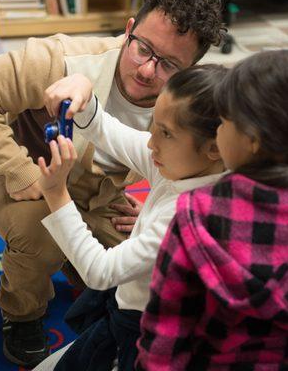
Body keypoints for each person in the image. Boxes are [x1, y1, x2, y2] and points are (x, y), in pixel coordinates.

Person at [0, 0, 224, 368]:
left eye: (168, 65)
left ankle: (71, 263)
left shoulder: (186, 105)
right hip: (24, 174)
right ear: (128, 30)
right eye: (142, 48)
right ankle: (22, 314)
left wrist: (151, 212)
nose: (146, 70)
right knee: (40, 234)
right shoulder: (59, 58)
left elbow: (156, 161)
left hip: (94, 188)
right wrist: (20, 171)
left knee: (144, 273)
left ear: (190, 69)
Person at [33, 64, 227, 370]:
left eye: (165, 133)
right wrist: (84, 86)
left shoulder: (188, 216)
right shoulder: (183, 165)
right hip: (125, 302)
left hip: (139, 331)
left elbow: (100, 271)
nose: (151, 143)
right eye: (153, 126)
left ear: (214, 148)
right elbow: (106, 131)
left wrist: (57, 195)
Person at [136, 50, 288, 371]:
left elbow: (166, 330)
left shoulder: (195, 214)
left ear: (252, 140)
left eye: (225, 121)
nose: (216, 132)